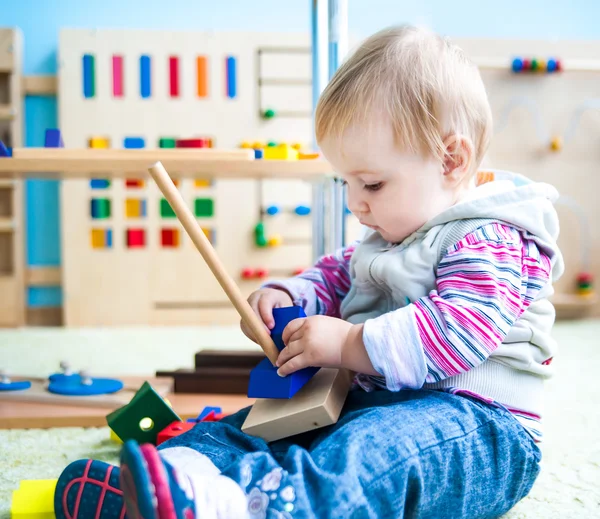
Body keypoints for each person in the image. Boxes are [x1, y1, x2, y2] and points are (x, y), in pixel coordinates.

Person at [54, 24, 563, 519]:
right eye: (346, 183)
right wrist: (289, 295)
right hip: (380, 404)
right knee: (254, 426)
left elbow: (458, 331)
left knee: (367, 454)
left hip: (482, 431)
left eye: (372, 183)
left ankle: (250, 507)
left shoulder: (489, 236)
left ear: (450, 160)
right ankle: (176, 480)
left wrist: (346, 345)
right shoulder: (388, 234)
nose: (355, 204)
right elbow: (336, 275)